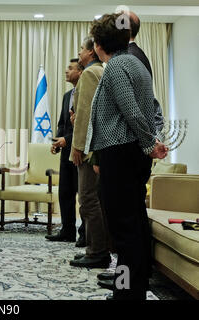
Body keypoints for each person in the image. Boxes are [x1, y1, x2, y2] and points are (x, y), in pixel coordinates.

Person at [86, 13, 168, 300]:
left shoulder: (118, 65)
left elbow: (131, 110)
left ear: (98, 43)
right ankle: (134, 289)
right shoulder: (135, 62)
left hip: (120, 153)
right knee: (132, 224)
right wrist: (151, 141)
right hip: (130, 153)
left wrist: (150, 144)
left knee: (122, 231)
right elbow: (152, 107)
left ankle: (126, 294)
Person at [69, 37, 109, 269]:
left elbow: (86, 113)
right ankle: (95, 249)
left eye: (81, 49)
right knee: (91, 199)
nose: (79, 53)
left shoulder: (90, 74)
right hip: (95, 146)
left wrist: (78, 146)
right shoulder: (98, 71)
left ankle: (98, 252)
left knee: (87, 199)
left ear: (91, 52)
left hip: (89, 149)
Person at [46, 59, 85, 245]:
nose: (66, 71)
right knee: (65, 193)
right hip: (65, 153)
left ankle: (85, 234)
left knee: (84, 196)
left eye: (70, 68)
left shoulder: (85, 93)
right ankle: (67, 231)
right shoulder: (67, 95)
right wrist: (57, 141)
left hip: (81, 152)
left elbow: (83, 124)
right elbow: (63, 124)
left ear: (81, 72)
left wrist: (67, 140)